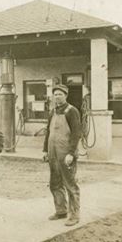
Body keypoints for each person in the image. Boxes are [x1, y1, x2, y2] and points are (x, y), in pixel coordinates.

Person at [42, 84, 82, 226]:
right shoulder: (53, 111)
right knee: (55, 183)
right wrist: (45, 150)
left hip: (66, 154)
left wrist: (71, 153)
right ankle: (61, 211)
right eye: (55, 94)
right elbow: (48, 131)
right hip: (53, 153)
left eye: (60, 94)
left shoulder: (72, 111)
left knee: (70, 185)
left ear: (66, 95)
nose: (57, 96)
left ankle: (74, 215)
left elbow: (77, 133)